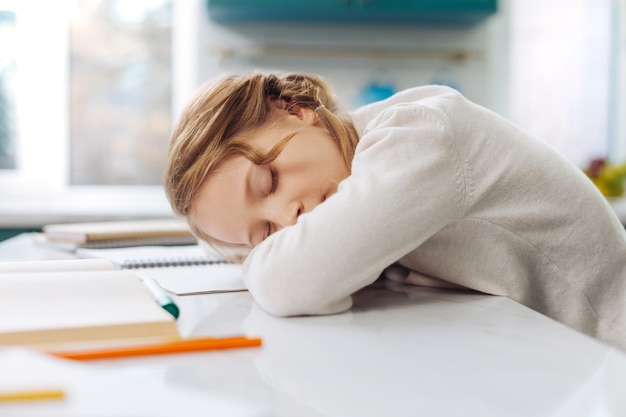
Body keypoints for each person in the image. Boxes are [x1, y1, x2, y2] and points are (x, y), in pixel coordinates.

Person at [165, 72, 626, 351]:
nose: (290, 220)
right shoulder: (363, 167)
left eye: (269, 181)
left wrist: (259, 262)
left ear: (296, 109)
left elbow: (291, 282)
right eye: (264, 233)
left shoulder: (419, 136)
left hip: (608, 361)